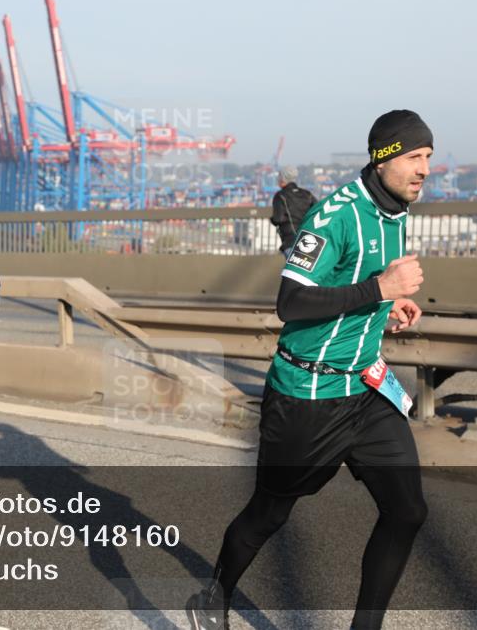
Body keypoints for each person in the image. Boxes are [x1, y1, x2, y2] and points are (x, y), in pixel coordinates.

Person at [187, 110, 432, 630]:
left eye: (427, 157)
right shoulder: (333, 216)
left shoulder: (397, 212)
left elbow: (361, 286)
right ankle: (214, 596)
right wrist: (380, 291)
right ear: (384, 156)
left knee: (408, 510)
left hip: (366, 388)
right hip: (308, 394)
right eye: (414, 156)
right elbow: (291, 301)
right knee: (269, 514)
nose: (424, 169)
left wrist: (386, 310)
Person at [269, 165, 316, 255]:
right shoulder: (307, 194)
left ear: (283, 179)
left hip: (290, 241)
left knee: (292, 267)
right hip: (309, 239)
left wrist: (272, 219)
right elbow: (317, 210)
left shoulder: (280, 196)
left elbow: (278, 219)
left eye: (279, 176)